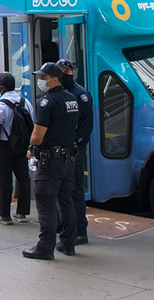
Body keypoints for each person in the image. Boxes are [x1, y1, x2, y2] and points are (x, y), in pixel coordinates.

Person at [23, 62, 79, 261]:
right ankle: (68, 243)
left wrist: (31, 148)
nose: (40, 81)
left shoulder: (48, 102)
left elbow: (37, 135)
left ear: (54, 79)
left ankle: (45, 247)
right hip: (68, 159)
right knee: (66, 201)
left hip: (50, 161)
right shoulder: (72, 99)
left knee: (45, 202)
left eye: (43, 78)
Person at [56, 59, 95, 245]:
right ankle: (64, 226)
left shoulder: (80, 95)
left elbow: (85, 127)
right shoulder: (61, 93)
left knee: (74, 191)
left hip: (73, 150)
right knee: (61, 190)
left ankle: (80, 230)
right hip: (62, 149)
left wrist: (76, 147)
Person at [0, 72, 34, 225]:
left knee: (3, 180)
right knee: (23, 177)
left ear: (1, 88)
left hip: (3, 146)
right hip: (21, 145)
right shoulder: (25, 102)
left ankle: (5, 215)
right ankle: (21, 212)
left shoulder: (0, 105)